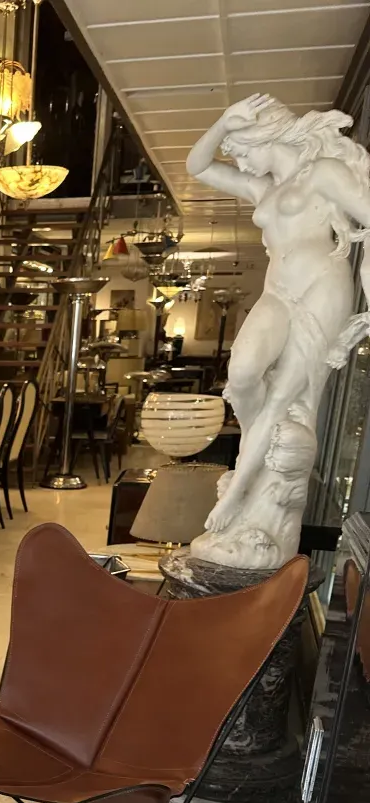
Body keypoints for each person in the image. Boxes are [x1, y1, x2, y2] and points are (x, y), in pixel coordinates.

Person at [185, 92, 370, 566]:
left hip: (320, 289)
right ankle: (258, 450)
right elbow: (197, 165)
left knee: (284, 398)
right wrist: (223, 123)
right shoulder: (261, 187)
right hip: (277, 292)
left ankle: (239, 494)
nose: (240, 161)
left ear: (267, 136)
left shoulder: (324, 173)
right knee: (243, 374)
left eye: (242, 150)